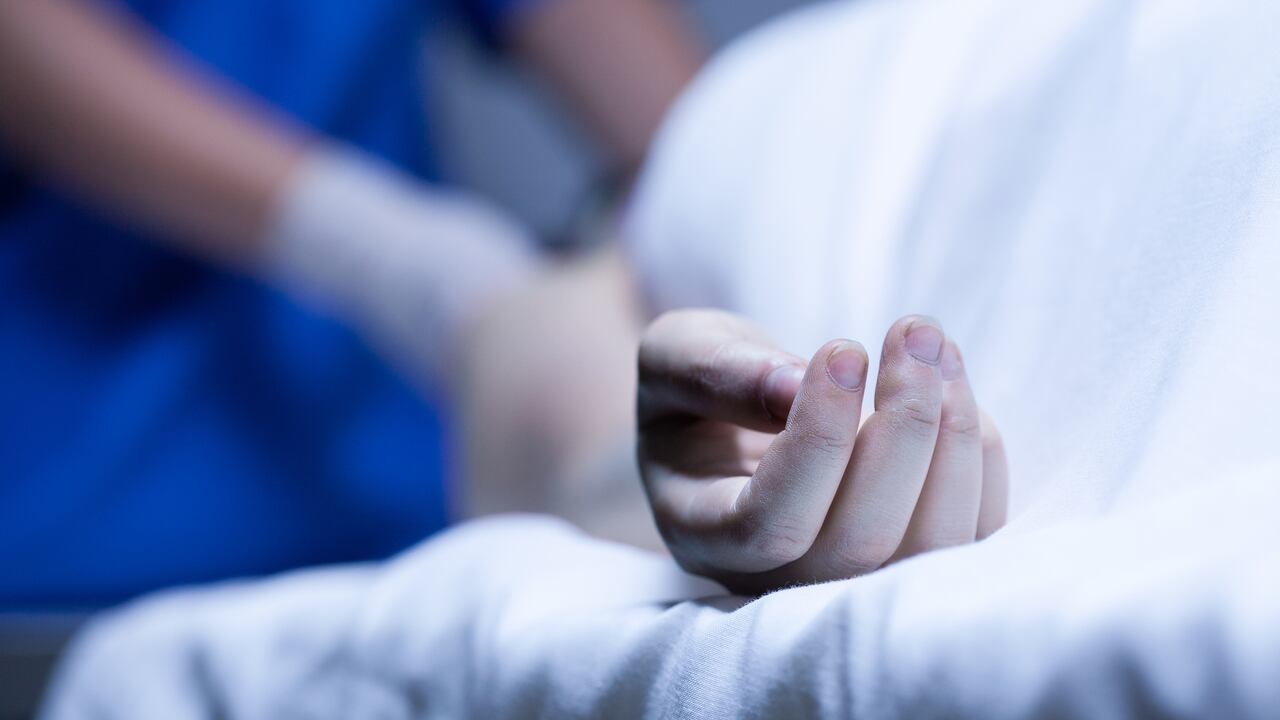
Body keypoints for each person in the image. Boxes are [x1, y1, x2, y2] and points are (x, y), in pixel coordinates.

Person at [0, 0, 702, 606]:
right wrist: (377, 245)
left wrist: (707, 182)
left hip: (399, 511)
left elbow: (647, 96)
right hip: (89, 514)